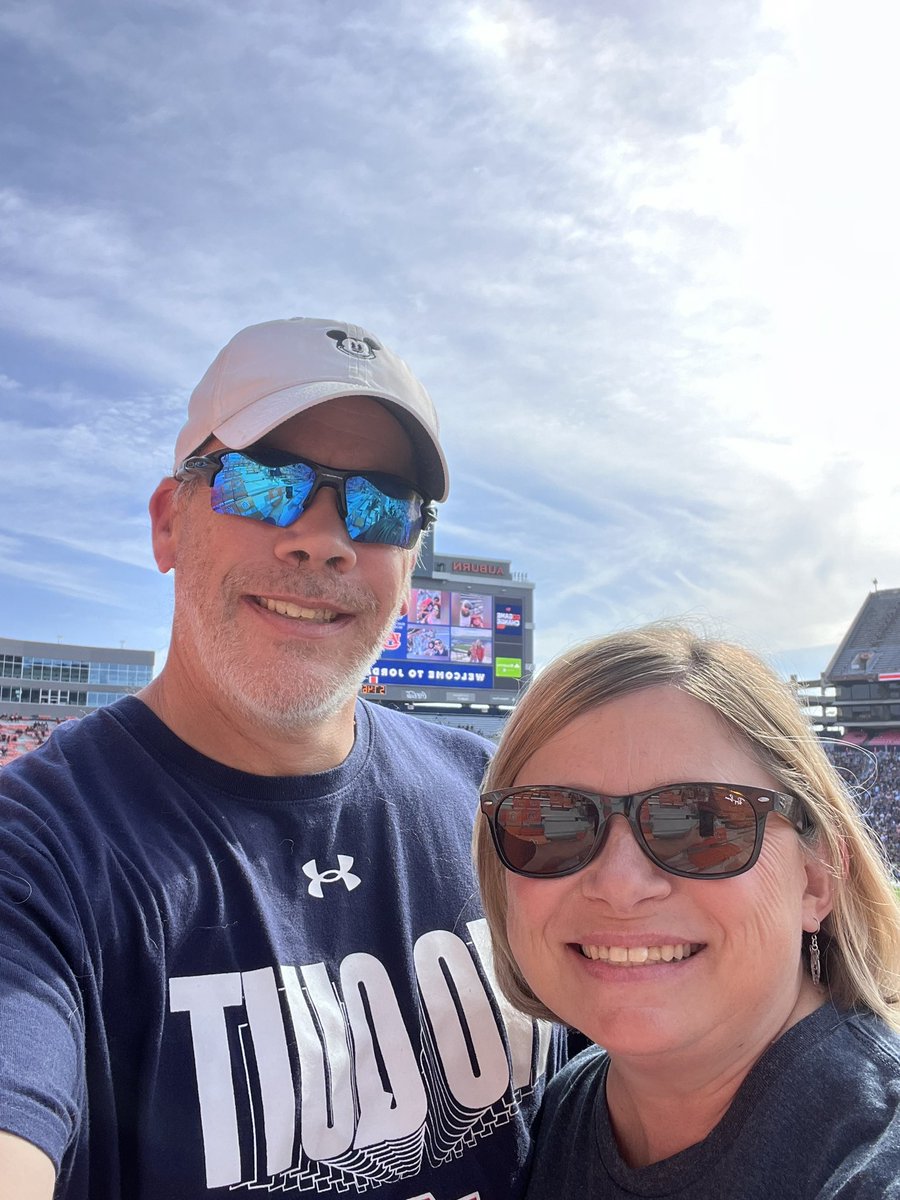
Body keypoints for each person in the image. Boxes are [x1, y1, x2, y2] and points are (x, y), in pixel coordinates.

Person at [0, 318, 561, 1199]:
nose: (322, 538)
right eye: (264, 484)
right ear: (168, 524)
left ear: (408, 566)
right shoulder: (39, 852)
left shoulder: (492, 796)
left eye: (378, 505)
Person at [474, 623, 900, 1199]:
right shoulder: (569, 1101)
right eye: (552, 824)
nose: (620, 886)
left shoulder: (872, 1163)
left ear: (816, 879)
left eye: (701, 823)